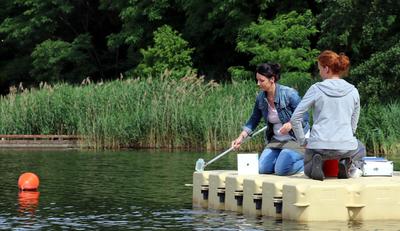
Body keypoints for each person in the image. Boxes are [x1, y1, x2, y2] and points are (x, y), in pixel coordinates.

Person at [290, 50, 366, 181]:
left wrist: (303, 141)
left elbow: (295, 118)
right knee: (360, 148)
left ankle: (315, 164)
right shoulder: (353, 91)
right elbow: (354, 122)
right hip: (345, 146)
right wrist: (348, 136)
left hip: (319, 146)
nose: (319, 73)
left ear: (326, 69)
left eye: (319, 69)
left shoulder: (316, 89)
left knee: (307, 168)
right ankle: (347, 164)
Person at [232, 63, 309, 176]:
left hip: (296, 139)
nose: (258, 83)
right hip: (276, 140)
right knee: (263, 168)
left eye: (261, 80)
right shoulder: (261, 98)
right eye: (257, 80)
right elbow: (254, 120)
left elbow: (305, 116)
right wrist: (241, 137)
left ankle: (310, 162)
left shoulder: (289, 94)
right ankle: (282, 160)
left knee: (281, 170)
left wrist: (291, 124)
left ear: (272, 79)